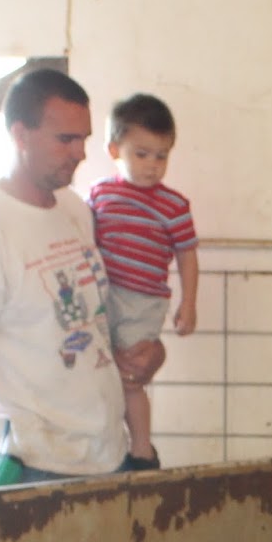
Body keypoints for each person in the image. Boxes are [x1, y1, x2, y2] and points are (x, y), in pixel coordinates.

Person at [0, 66, 163, 490]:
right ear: (20, 135)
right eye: (66, 139)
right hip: (37, 466)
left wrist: (150, 354)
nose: (79, 152)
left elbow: (94, 324)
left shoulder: (75, 210)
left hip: (108, 452)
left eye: (84, 137)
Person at [87, 92, 199, 469]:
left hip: (142, 300)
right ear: (114, 149)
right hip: (102, 295)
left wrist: (188, 302)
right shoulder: (100, 194)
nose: (153, 166)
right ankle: (106, 444)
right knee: (101, 368)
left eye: (162, 155)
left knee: (132, 375)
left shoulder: (173, 205)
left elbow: (186, 254)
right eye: (142, 153)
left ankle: (141, 450)